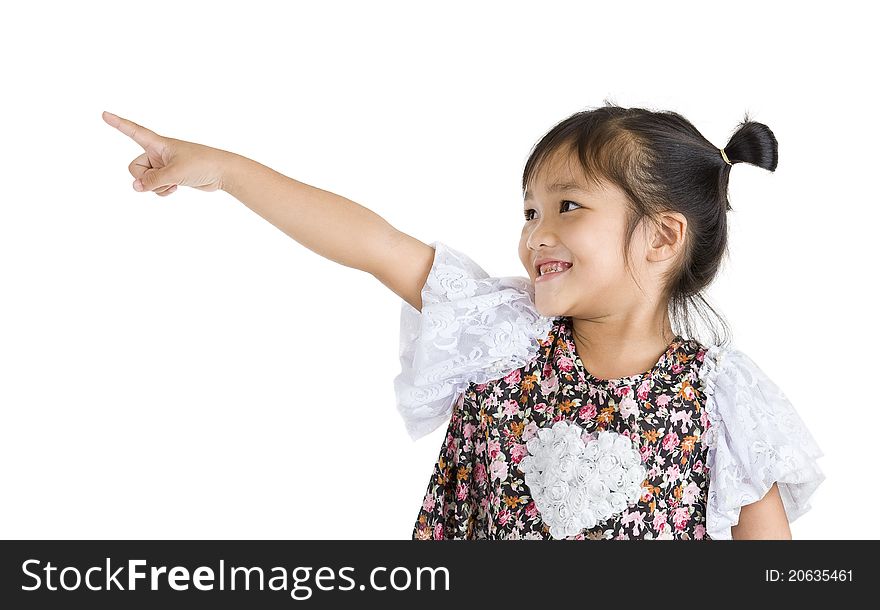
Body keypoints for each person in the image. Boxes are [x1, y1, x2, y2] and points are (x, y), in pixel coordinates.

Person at [103, 103, 825, 540]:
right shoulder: (502, 336)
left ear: (662, 238)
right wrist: (226, 170)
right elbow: (373, 244)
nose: (537, 232)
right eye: (530, 210)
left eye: (567, 206)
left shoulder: (722, 400)